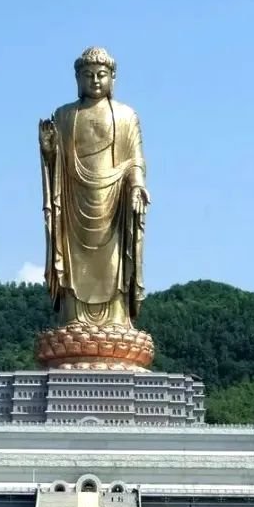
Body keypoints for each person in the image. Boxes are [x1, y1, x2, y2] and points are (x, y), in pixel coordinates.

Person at [38, 46, 150, 330]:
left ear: (113, 78)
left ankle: (117, 318)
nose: (95, 80)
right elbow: (56, 163)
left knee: (115, 262)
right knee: (74, 263)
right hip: (74, 201)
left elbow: (135, 159)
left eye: (101, 74)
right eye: (88, 75)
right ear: (78, 80)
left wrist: (136, 186)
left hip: (115, 204)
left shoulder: (126, 116)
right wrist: (49, 151)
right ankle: (72, 317)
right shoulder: (64, 116)